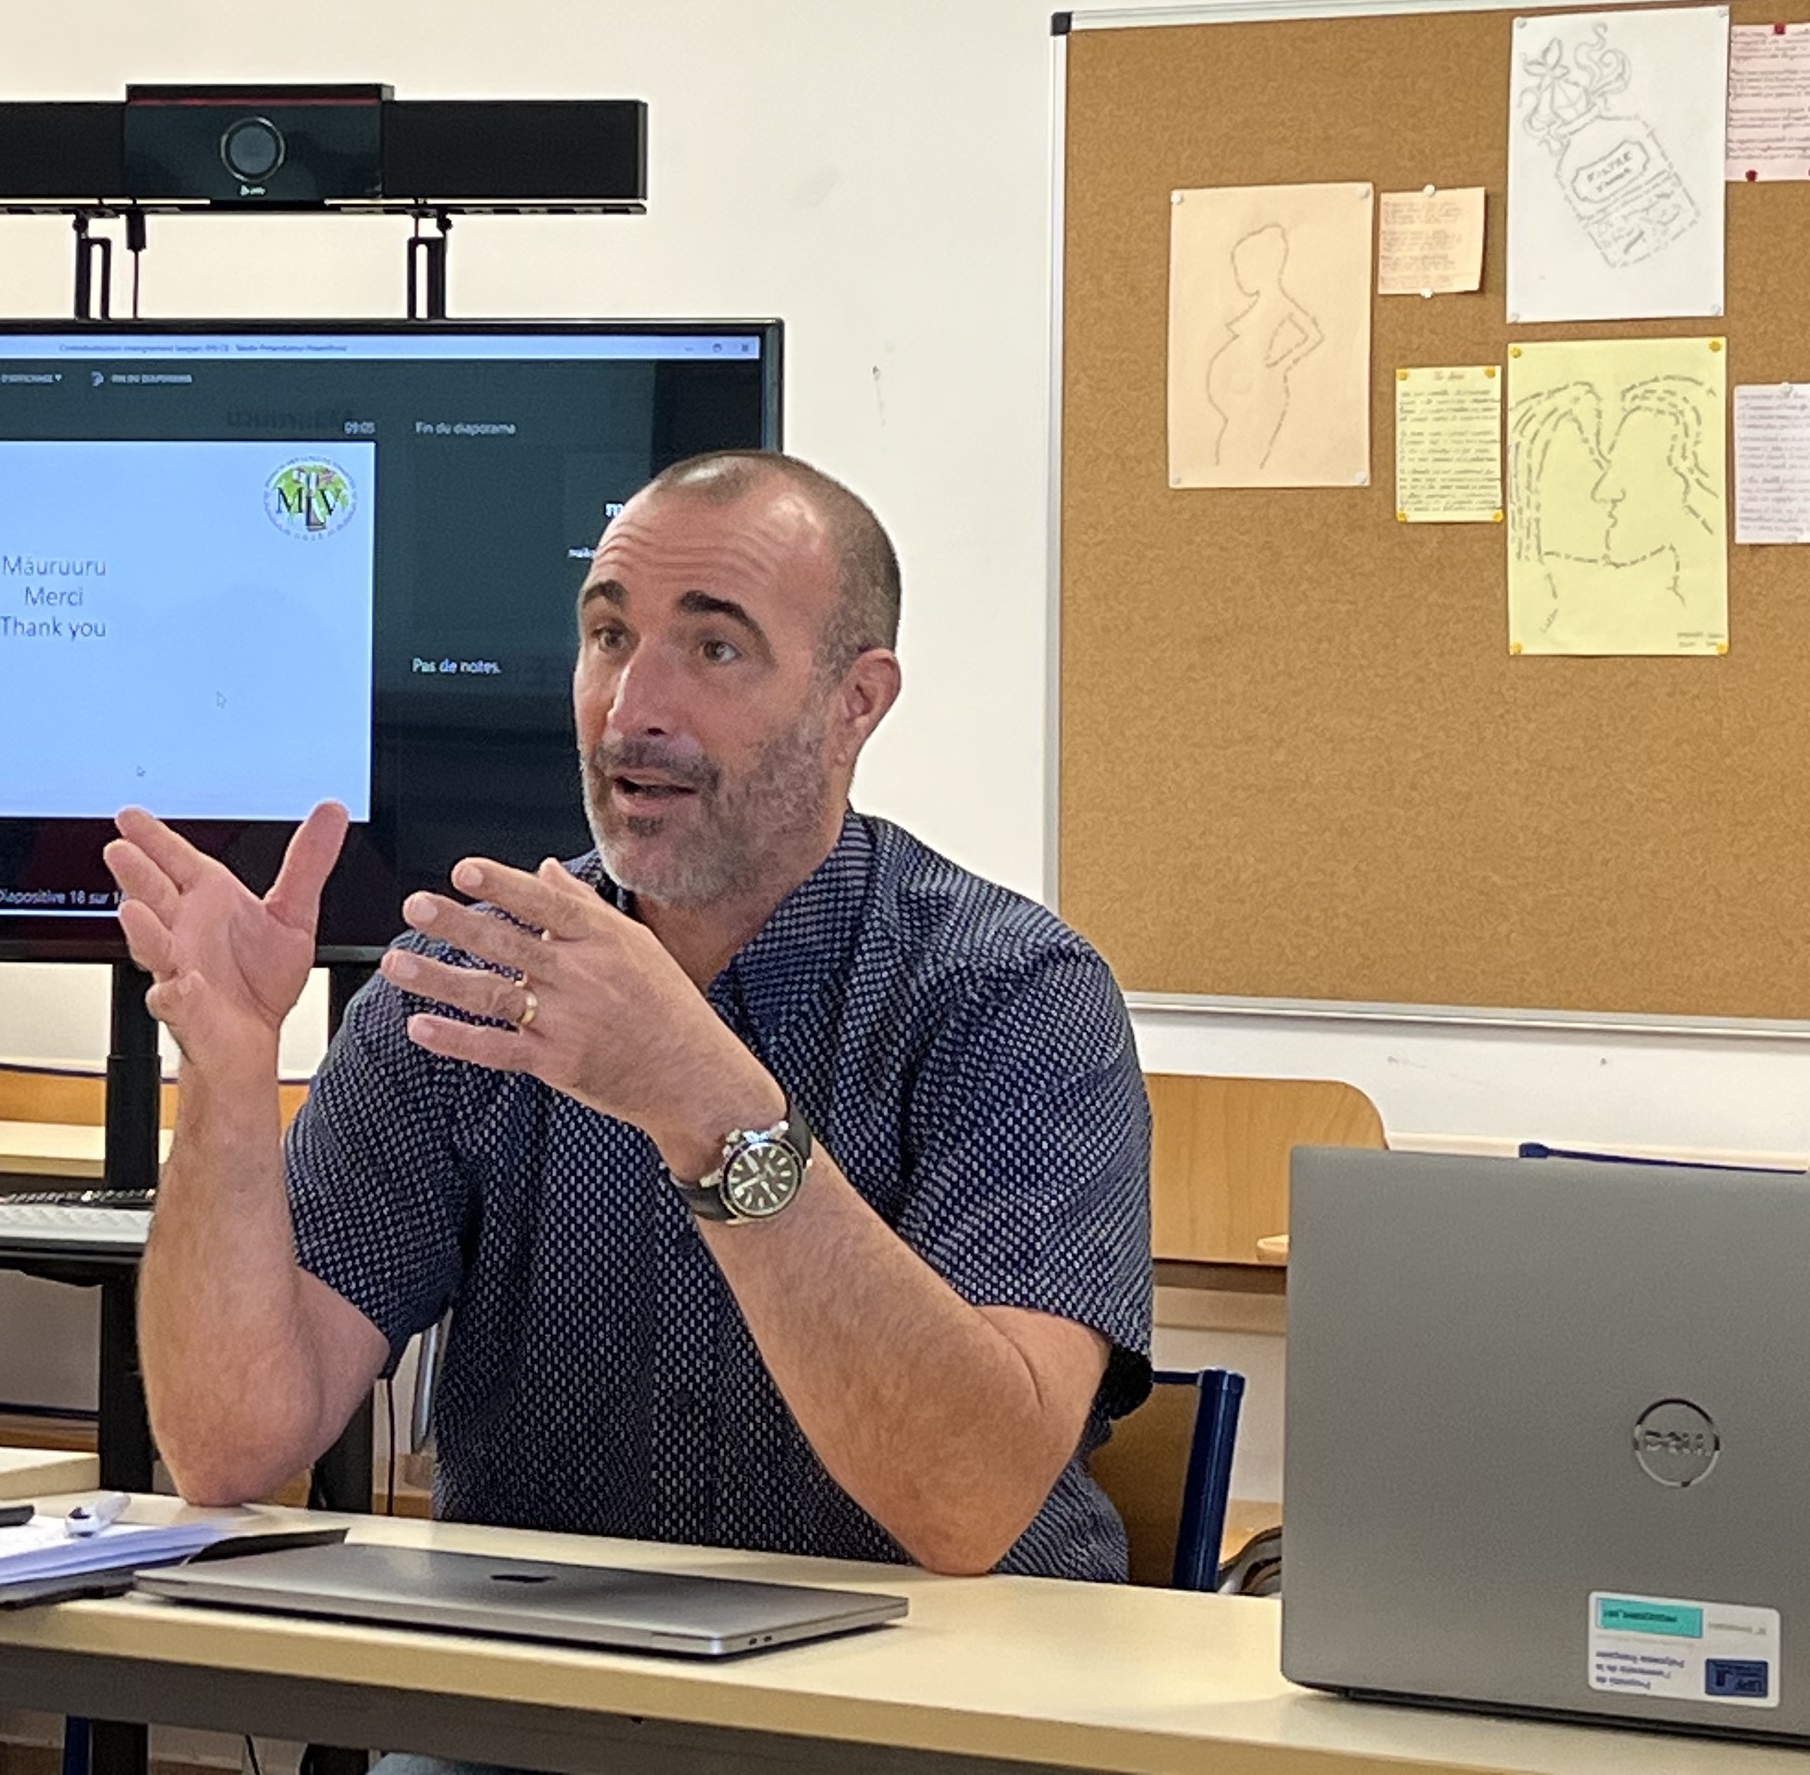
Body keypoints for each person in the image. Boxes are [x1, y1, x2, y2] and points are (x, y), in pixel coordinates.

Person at [110, 449, 1154, 1588]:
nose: (630, 710)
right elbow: (227, 1446)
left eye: (714, 649)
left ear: (855, 703)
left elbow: (971, 1503)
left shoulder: (1012, 993)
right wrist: (225, 1070)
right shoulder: (467, 986)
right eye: (609, 637)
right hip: (551, 1672)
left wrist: (704, 1100)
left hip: (935, 1676)